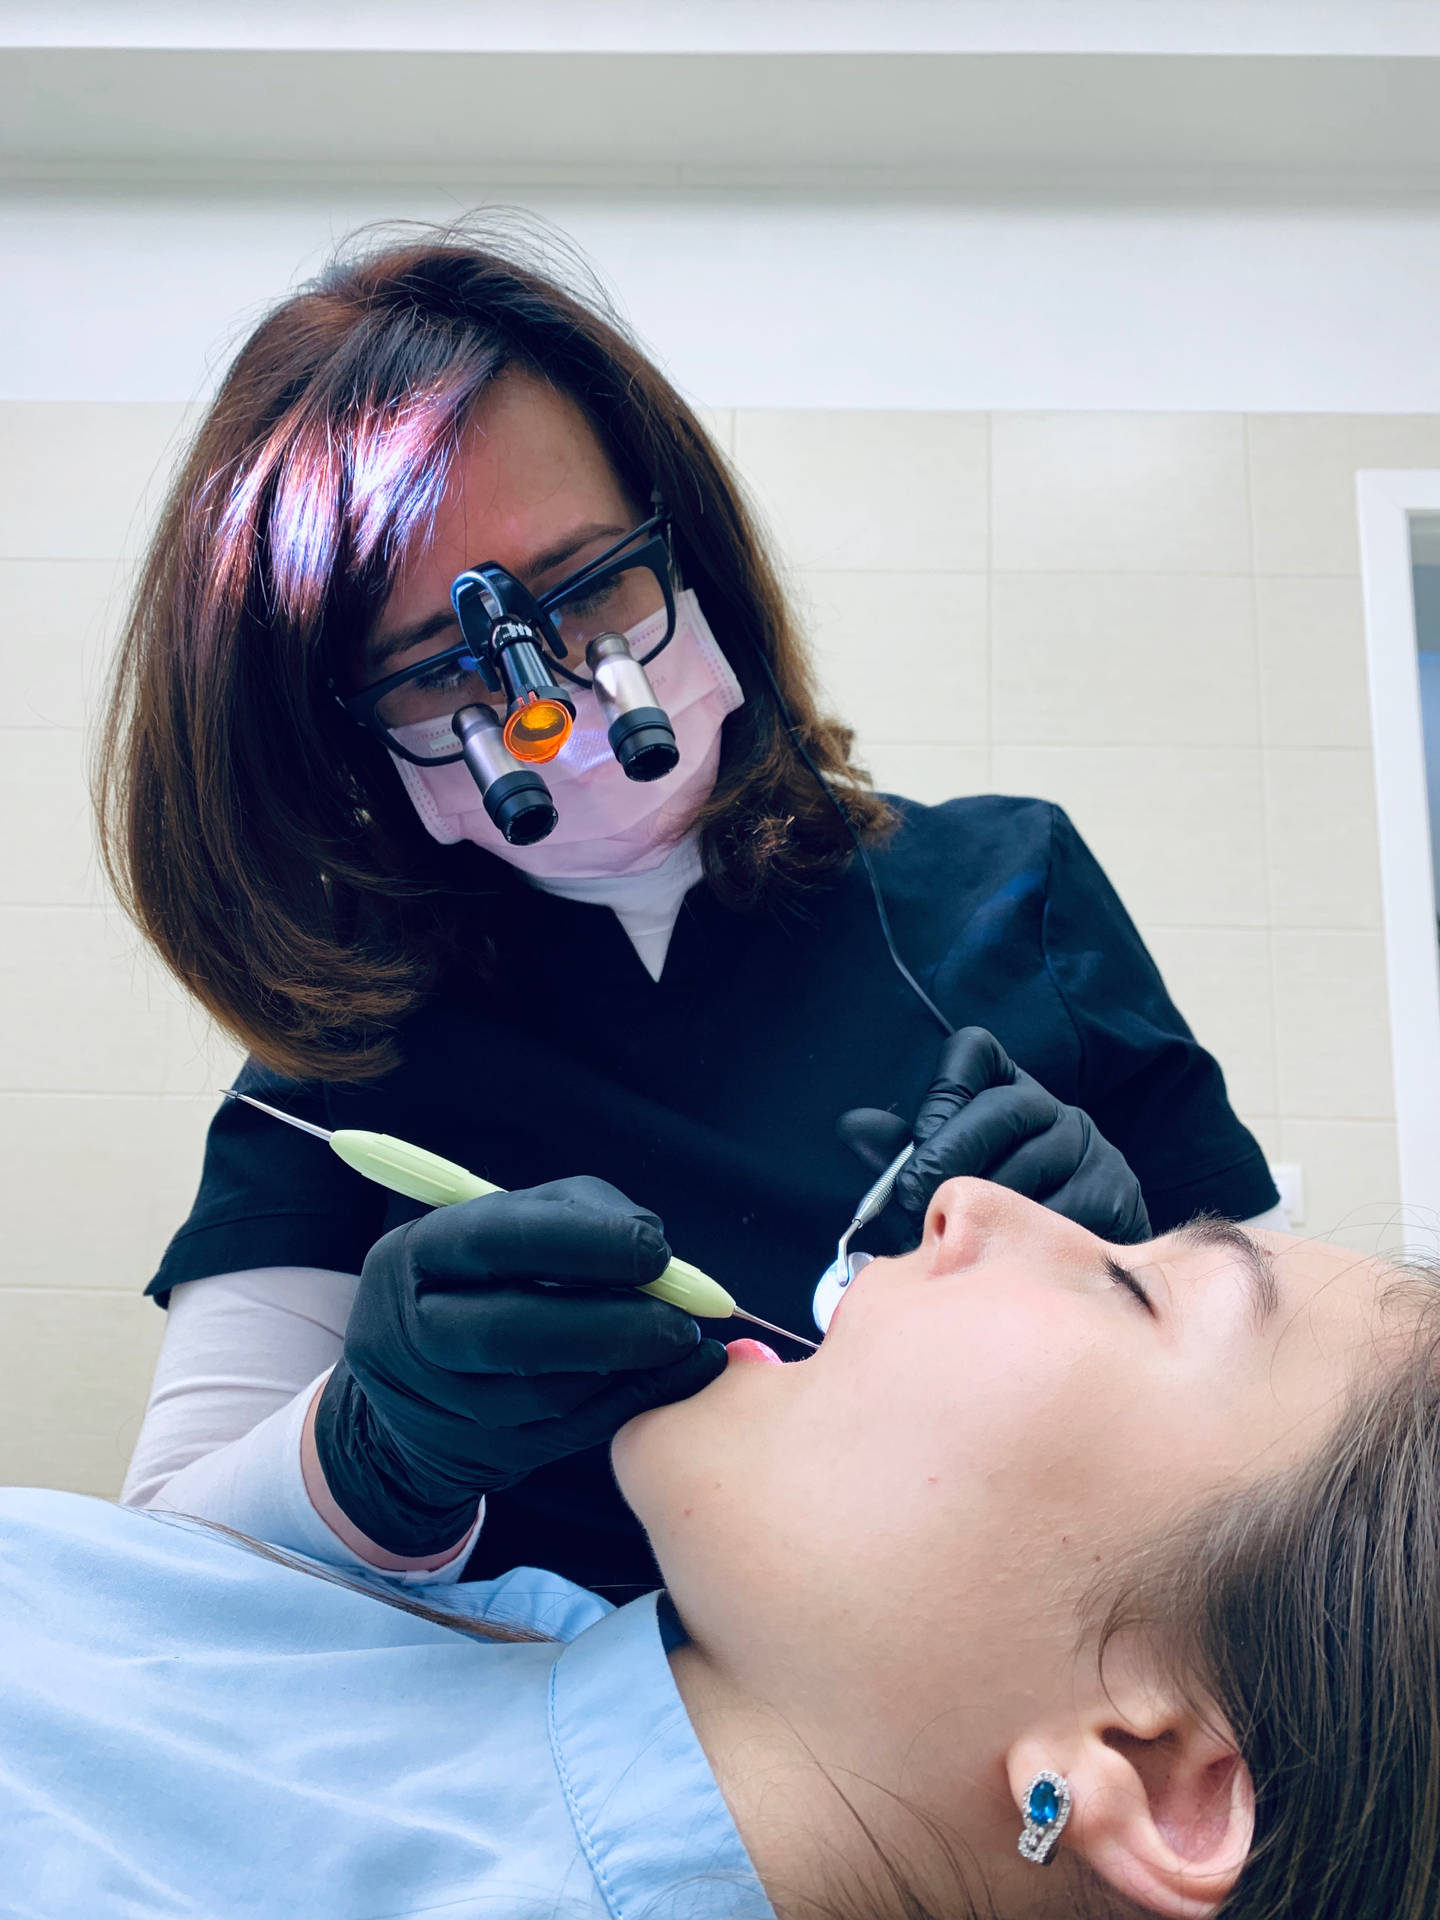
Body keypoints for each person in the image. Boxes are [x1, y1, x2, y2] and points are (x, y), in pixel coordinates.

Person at [102, 226, 1282, 1593]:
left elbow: (1300, 1418)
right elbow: (171, 1577)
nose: (549, 713)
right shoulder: (341, 1062)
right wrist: (374, 1456)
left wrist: (1147, 1274)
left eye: (593, 585)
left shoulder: (1010, 890)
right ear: (342, 735)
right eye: (442, 675)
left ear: (688, 551)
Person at [4, 1178, 1436, 1919]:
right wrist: (364, 1474)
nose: (968, 1205)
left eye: (1132, 1284)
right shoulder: (572, 1655)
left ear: (1152, 1780)